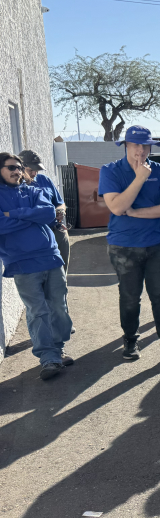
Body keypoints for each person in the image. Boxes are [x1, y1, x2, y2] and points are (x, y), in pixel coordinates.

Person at [98, 125, 160, 366]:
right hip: (123, 247)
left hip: (158, 244)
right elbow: (116, 207)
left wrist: (136, 213)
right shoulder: (111, 171)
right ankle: (130, 340)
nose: (141, 150)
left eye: (145, 145)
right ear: (126, 145)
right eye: (136, 145)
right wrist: (139, 179)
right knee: (129, 297)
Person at [0, 152, 73, 380]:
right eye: (11, 167)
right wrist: (29, 216)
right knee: (38, 312)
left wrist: (14, 214)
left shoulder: (33, 190)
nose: (17, 172)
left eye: (19, 168)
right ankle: (48, 358)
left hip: (50, 257)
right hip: (22, 262)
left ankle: (58, 348)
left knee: (59, 307)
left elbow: (48, 212)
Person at [20, 149, 70, 272]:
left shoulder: (44, 180)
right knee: (39, 275)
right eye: (30, 170)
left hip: (56, 230)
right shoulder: (15, 186)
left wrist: (60, 211)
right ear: (20, 168)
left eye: (36, 170)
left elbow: (60, 203)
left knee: (61, 273)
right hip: (34, 236)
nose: (34, 173)